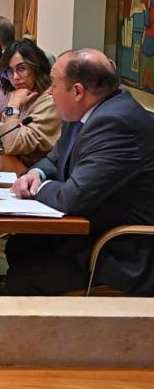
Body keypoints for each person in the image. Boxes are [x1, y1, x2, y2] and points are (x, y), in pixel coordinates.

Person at [8, 49, 154, 295]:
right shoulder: (87, 111)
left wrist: (38, 189)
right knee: (19, 246)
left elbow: (72, 198)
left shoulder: (117, 124)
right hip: (93, 229)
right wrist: (37, 174)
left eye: (54, 84)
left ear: (77, 91)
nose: (50, 91)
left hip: (122, 250)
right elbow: (56, 158)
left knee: (24, 278)